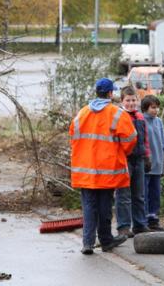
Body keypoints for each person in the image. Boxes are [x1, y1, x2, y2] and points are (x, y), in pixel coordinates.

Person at [70, 78, 138, 255]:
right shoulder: (117, 114)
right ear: (110, 93)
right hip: (107, 171)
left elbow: (73, 136)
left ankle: (87, 243)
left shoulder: (82, 113)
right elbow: (130, 140)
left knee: (89, 206)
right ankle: (106, 240)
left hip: (85, 170)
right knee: (104, 206)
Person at [115, 86, 152, 238]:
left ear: (138, 101)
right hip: (125, 160)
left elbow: (145, 139)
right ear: (122, 101)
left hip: (139, 158)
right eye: (127, 100)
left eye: (133, 100)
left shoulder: (140, 117)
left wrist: (147, 156)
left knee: (139, 194)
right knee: (123, 194)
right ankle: (123, 226)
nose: (131, 103)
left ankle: (140, 224)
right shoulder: (120, 117)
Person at [141, 95, 164, 231]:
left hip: (158, 165)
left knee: (155, 194)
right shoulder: (141, 121)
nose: (156, 110)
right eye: (153, 107)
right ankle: (143, 221)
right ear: (145, 107)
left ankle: (153, 220)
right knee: (144, 194)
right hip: (146, 166)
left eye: (157, 107)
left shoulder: (159, 122)